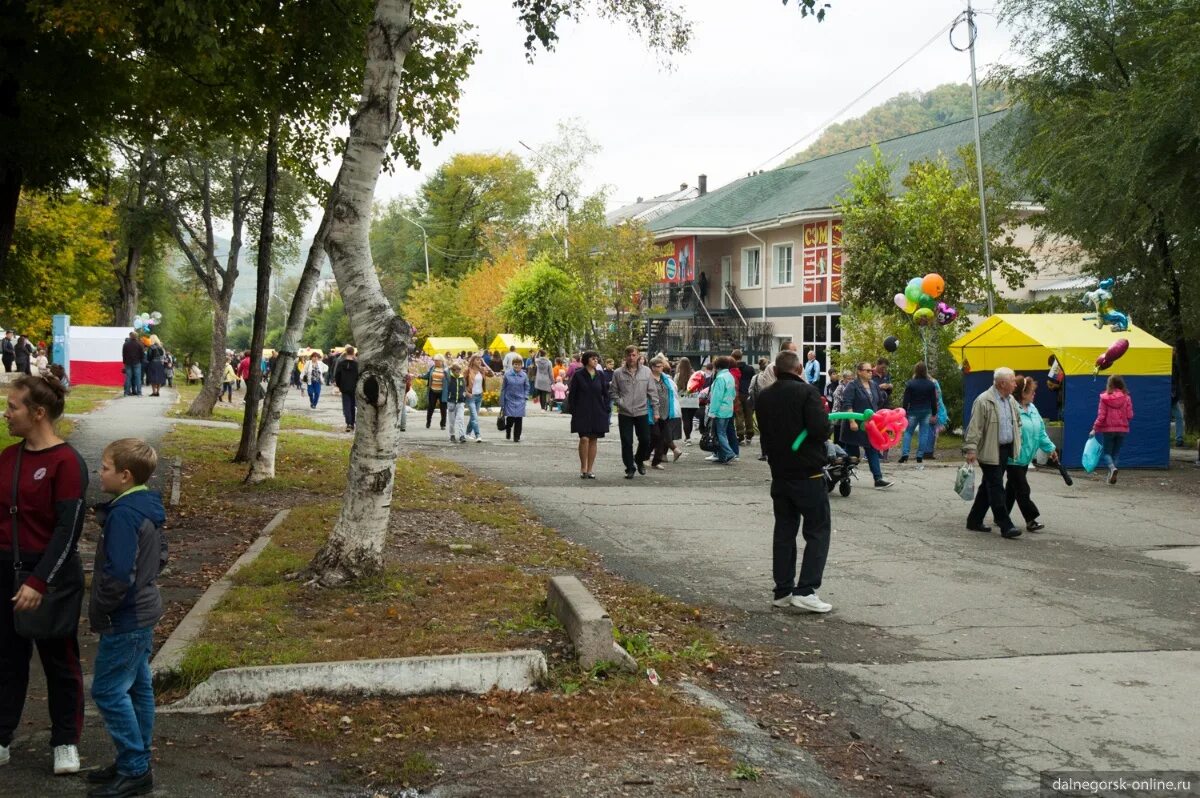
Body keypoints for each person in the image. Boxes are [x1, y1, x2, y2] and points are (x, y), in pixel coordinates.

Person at [0, 373, 88, 775]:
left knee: (59, 661)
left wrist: (39, 582)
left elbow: (67, 531)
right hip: (6, 570)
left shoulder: (67, 463)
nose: (6, 413)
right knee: (6, 660)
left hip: (49, 575)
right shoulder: (7, 459)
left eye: (13, 406)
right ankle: (2, 737)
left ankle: (66, 741)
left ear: (38, 413)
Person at [89, 438, 166, 798]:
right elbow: (160, 556)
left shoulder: (123, 514)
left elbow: (119, 573)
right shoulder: (146, 505)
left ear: (124, 475)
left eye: (103, 468)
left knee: (106, 690)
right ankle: (133, 760)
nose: (98, 473)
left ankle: (135, 767)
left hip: (127, 616)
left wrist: (102, 607)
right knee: (137, 687)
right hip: (143, 609)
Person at [755, 350, 833, 613]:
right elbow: (820, 429)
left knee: (785, 531)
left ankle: (783, 589)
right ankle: (806, 589)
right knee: (818, 531)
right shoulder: (808, 393)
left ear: (775, 371)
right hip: (807, 472)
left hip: (779, 471)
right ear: (800, 369)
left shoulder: (764, 396)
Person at [963, 367, 1022, 538]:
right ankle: (1005, 525)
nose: (1015, 385)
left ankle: (974, 520)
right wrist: (971, 449)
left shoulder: (1010, 400)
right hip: (989, 450)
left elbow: (1017, 422)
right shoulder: (983, 400)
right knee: (997, 487)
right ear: (1002, 383)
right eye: (1012, 381)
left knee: (987, 486)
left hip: (1005, 450)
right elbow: (975, 427)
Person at [1006, 376, 1057, 533]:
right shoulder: (1012, 408)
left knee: (1011, 489)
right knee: (1022, 489)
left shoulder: (1033, 409)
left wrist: (1051, 449)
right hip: (1013, 457)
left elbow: (1041, 432)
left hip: (1026, 457)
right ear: (1023, 393)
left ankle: (1001, 514)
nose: (1034, 394)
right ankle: (1031, 519)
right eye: (1031, 391)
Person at [839, 362, 893, 489]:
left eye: (871, 371)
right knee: (853, 455)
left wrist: (882, 422)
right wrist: (852, 421)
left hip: (869, 426)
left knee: (872, 449)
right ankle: (841, 475)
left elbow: (879, 403)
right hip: (854, 425)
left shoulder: (873, 385)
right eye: (867, 370)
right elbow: (847, 404)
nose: (870, 373)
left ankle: (878, 479)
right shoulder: (852, 386)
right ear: (859, 371)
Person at [610, 346, 655, 479]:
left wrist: (656, 409)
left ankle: (639, 459)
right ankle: (630, 467)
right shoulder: (618, 373)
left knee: (646, 439)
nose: (631, 358)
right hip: (625, 412)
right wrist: (620, 403)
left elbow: (652, 391)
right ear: (625, 357)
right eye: (629, 355)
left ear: (638, 356)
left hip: (642, 411)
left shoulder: (646, 372)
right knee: (626, 441)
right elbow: (613, 392)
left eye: (634, 355)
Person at [568, 351, 610, 478]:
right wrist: (573, 410)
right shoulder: (578, 375)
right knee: (584, 438)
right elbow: (573, 394)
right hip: (582, 411)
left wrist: (606, 408)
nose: (595, 361)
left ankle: (590, 469)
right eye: (593, 359)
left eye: (597, 359)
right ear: (586, 360)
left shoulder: (600, 375)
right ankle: (583, 467)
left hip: (597, 411)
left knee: (593, 439)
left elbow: (605, 393)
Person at [1093, 374, 1134, 485]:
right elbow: (1130, 415)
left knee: (1106, 453)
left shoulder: (1104, 398)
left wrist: (1094, 428)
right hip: (1122, 430)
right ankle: (1111, 474)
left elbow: (1101, 416)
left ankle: (1112, 469)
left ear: (1110, 384)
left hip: (1108, 430)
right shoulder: (1127, 397)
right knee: (1115, 454)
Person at [899, 362, 938, 464]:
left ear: (915, 371)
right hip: (926, 411)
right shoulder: (930, 384)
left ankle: (905, 455)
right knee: (924, 433)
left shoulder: (910, 384)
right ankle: (920, 456)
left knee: (908, 432)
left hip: (913, 411)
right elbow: (933, 400)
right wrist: (934, 413)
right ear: (926, 371)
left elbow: (906, 400)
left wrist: (904, 412)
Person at [648, 357, 682, 470]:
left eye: (662, 366)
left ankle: (656, 461)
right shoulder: (648, 379)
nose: (661, 368)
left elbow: (671, 393)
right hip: (653, 412)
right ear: (652, 367)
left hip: (666, 411)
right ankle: (643, 456)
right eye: (658, 366)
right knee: (655, 437)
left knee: (662, 437)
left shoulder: (665, 378)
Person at [706, 355, 738, 465]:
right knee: (723, 432)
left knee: (720, 433)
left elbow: (716, 397)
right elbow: (733, 394)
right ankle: (722, 456)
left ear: (716, 366)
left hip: (719, 410)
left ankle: (729, 453)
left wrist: (712, 412)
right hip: (728, 409)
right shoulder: (730, 376)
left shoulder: (720, 378)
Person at [465, 355, 493, 442]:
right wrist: (467, 393)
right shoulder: (468, 371)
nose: (479, 362)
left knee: (474, 416)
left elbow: (492, 374)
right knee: (474, 416)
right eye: (477, 360)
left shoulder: (482, 370)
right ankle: (478, 435)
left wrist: (485, 363)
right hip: (471, 397)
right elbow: (462, 383)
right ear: (473, 361)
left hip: (479, 396)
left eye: (480, 360)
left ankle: (467, 433)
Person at [499, 358, 529, 442]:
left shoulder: (524, 375)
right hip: (509, 399)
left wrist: (525, 396)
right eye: (515, 364)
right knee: (510, 419)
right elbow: (503, 388)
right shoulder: (507, 374)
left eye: (519, 364)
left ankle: (517, 437)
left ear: (521, 366)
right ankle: (508, 431)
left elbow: (527, 387)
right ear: (513, 365)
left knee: (519, 419)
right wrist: (502, 400)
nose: (517, 366)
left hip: (520, 400)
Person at [731, 349, 756, 444]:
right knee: (749, 415)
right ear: (741, 356)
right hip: (747, 393)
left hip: (736, 394)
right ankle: (749, 435)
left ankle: (740, 435)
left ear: (732, 357)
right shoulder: (750, 368)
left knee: (739, 415)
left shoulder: (732, 369)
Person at [333, 346, 359, 432]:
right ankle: (352, 422)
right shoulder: (356, 365)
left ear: (346, 353)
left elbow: (337, 375)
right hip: (354, 387)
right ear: (353, 353)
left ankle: (349, 423)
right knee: (352, 405)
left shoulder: (341, 363)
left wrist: (339, 385)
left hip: (344, 387)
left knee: (346, 405)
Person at [443, 362, 468, 443]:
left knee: (461, 419)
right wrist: (450, 366)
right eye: (456, 371)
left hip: (460, 402)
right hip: (451, 402)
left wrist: (464, 398)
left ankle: (462, 435)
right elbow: (445, 371)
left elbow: (464, 389)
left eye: (459, 370)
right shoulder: (449, 377)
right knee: (452, 421)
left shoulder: (462, 378)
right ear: (453, 371)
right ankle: (452, 435)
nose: (458, 372)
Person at [423, 355, 448, 430]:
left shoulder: (446, 369)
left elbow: (449, 379)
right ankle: (428, 422)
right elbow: (427, 375)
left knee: (443, 408)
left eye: (437, 360)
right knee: (431, 407)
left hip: (442, 392)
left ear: (441, 361)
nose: (435, 362)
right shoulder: (432, 368)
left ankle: (443, 424)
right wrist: (419, 376)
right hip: (433, 390)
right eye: (435, 360)